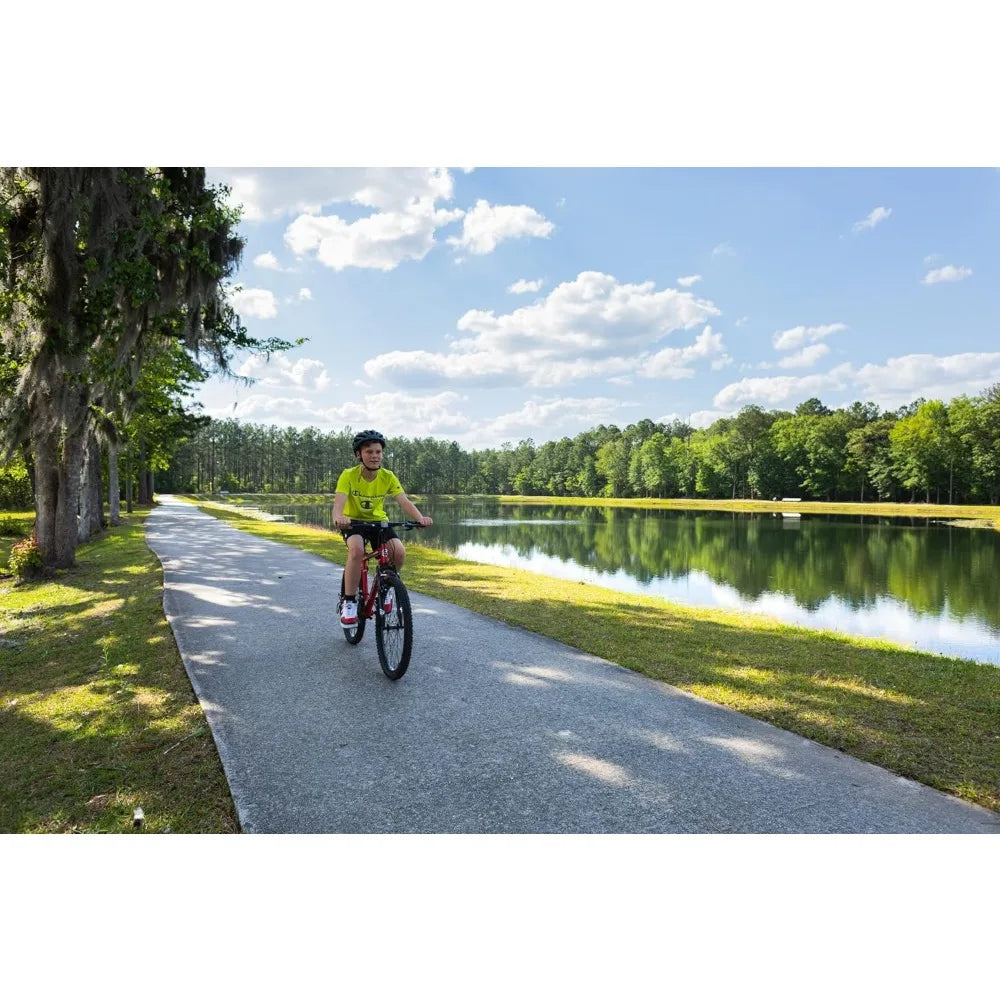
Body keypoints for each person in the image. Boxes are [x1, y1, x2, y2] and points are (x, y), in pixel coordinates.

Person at [333, 429, 433, 625]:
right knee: (357, 551)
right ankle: (350, 602)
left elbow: (404, 501)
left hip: (379, 522)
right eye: (369, 452)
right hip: (353, 522)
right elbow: (338, 505)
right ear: (358, 455)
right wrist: (339, 518)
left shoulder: (388, 476)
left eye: (378, 452)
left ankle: (387, 587)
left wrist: (420, 518)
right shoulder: (348, 475)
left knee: (399, 552)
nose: (374, 456)